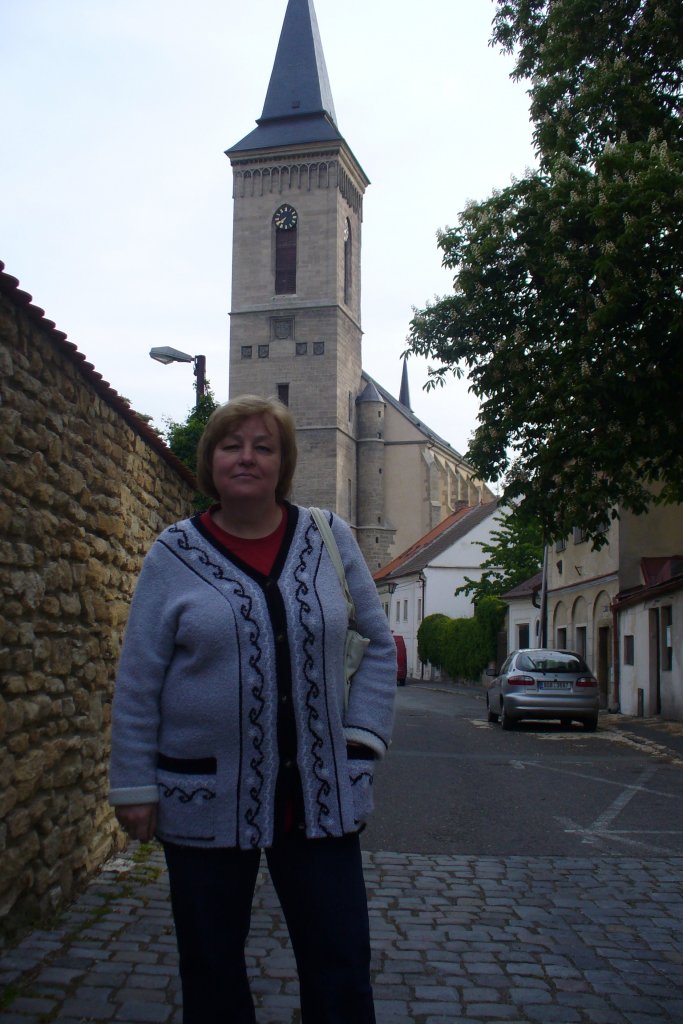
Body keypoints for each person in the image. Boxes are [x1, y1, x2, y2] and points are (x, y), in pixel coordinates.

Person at [109, 394, 396, 1024]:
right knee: (211, 970)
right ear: (209, 461)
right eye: (231, 446)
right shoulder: (173, 554)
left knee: (341, 968)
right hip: (204, 797)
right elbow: (138, 679)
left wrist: (360, 741)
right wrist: (134, 784)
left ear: (283, 463)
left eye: (263, 447)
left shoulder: (329, 538)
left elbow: (378, 643)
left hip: (321, 799)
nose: (246, 458)